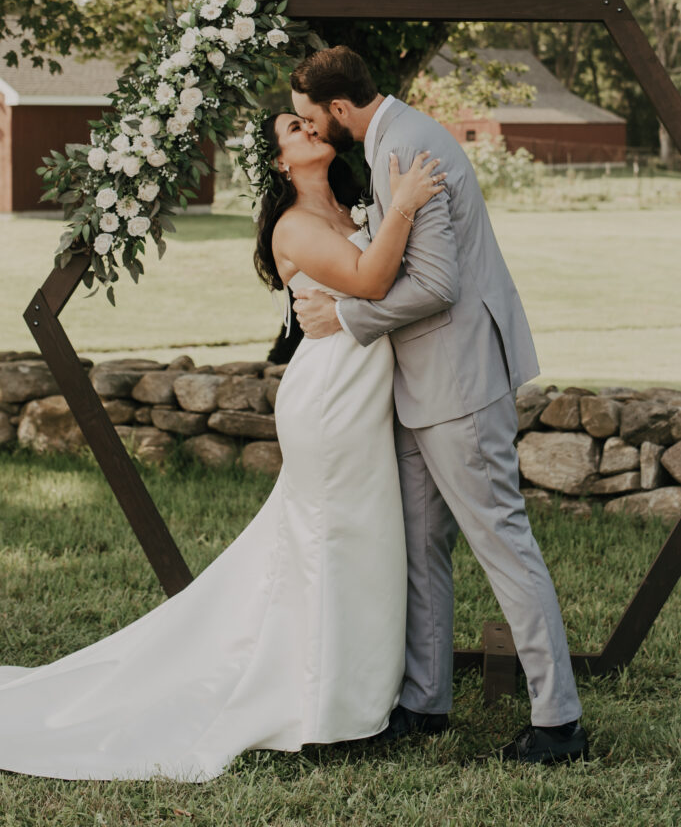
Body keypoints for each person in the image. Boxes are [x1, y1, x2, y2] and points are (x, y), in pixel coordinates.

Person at [0, 112, 445, 782]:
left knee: (364, 538)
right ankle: (325, 709)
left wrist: (392, 207)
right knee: (333, 536)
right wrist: (406, 207)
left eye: (310, 119)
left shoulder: (356, 206)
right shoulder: (293, 224)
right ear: (279, 162)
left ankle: (353, 699)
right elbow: (372, 283)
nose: (310, 127)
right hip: (329, 401)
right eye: (294, 127)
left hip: (361, 394)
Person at [290, 45, 589, 765]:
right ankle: (424, 702)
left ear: (338, 109)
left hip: (457, 378)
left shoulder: (407, 148)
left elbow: (435, 287)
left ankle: (558, 722)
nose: (307, 129)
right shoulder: (392, 139)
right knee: (421, 544)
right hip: (417, 384)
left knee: (500, 541)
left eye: (308, 118)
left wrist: (345, 318)